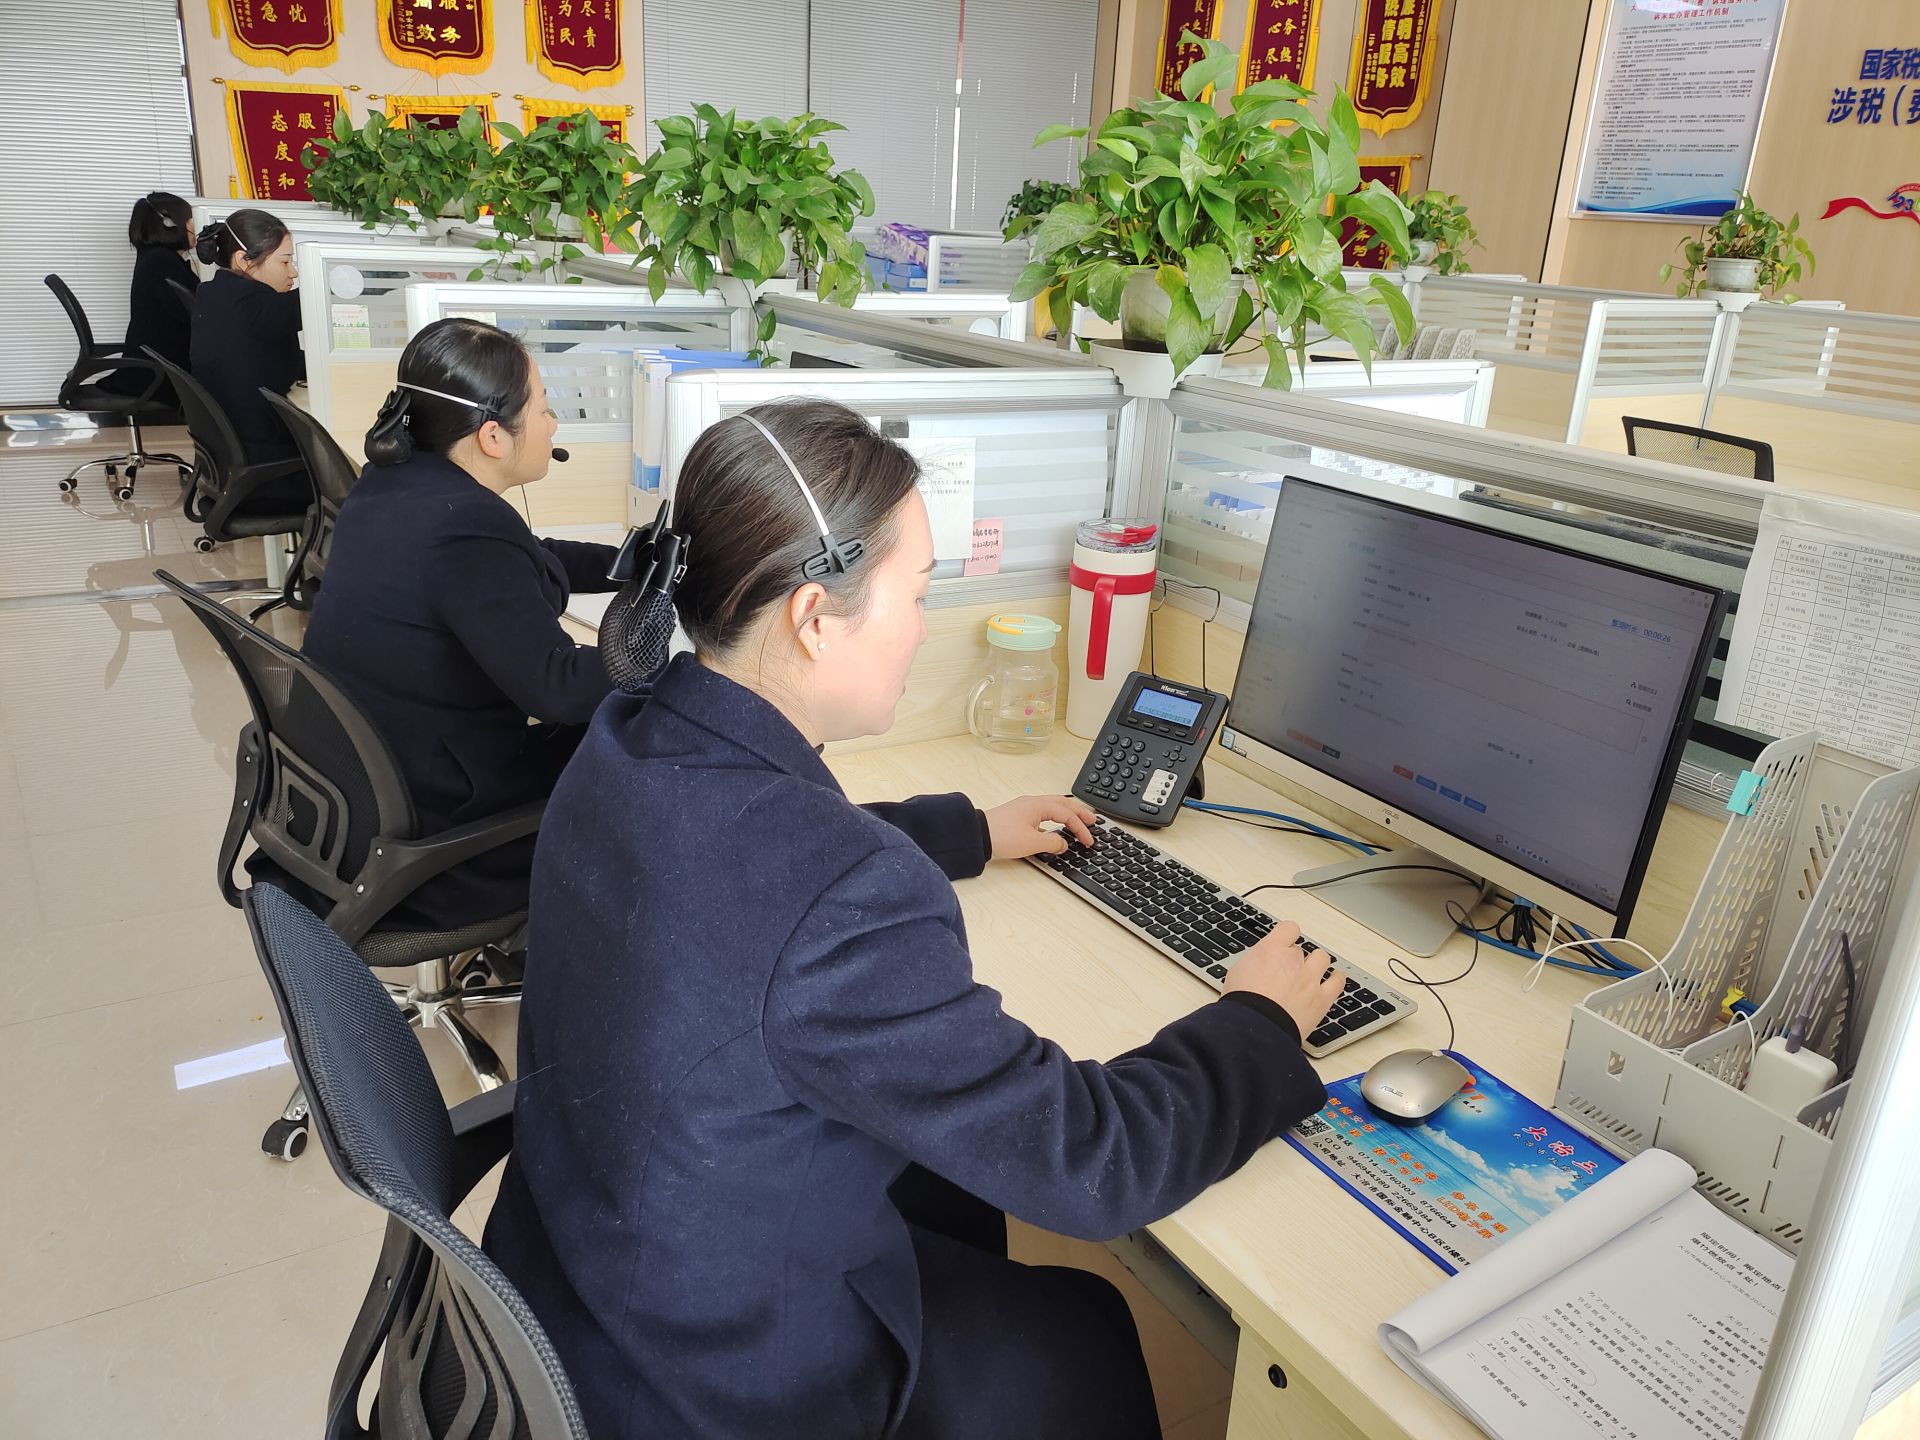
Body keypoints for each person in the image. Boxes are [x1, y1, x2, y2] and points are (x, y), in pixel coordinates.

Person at [483, 399, 1343, 1439]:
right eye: (921, 593)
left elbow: (748, 869)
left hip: (582, 1280)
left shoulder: (628, 732)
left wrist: (969, 830)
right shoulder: (841, 893)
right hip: (714, 1379)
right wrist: (1257, 1022)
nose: (927, 628)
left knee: (950, 1196)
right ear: (814, 616)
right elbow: (1090, 1161)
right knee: (1083, 1328)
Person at [297, 318, 620, 931]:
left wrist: (630, 563)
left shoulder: (395, 484)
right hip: (442, 849)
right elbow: (558, 688)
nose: (553, 425)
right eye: (544, 408)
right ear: (493, 436)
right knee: (648, 734)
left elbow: (528, 558)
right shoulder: (467, 528)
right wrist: (668, 656)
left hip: (368, 799)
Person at [189, 207, 304, 465]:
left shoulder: (210, 293)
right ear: (243, 260)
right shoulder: (261, 305)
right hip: (269, 455)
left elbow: (259, 352)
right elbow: (318, 296)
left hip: (227, 451)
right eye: (285, 262)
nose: (293, 272)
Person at [102, 191, 197, 404]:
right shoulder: (162, 262)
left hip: (155, 368)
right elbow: (193, 313)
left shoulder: (156, 257)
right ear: (170, 224)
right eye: (190, 219)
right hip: (160, 377)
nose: (194, 226)